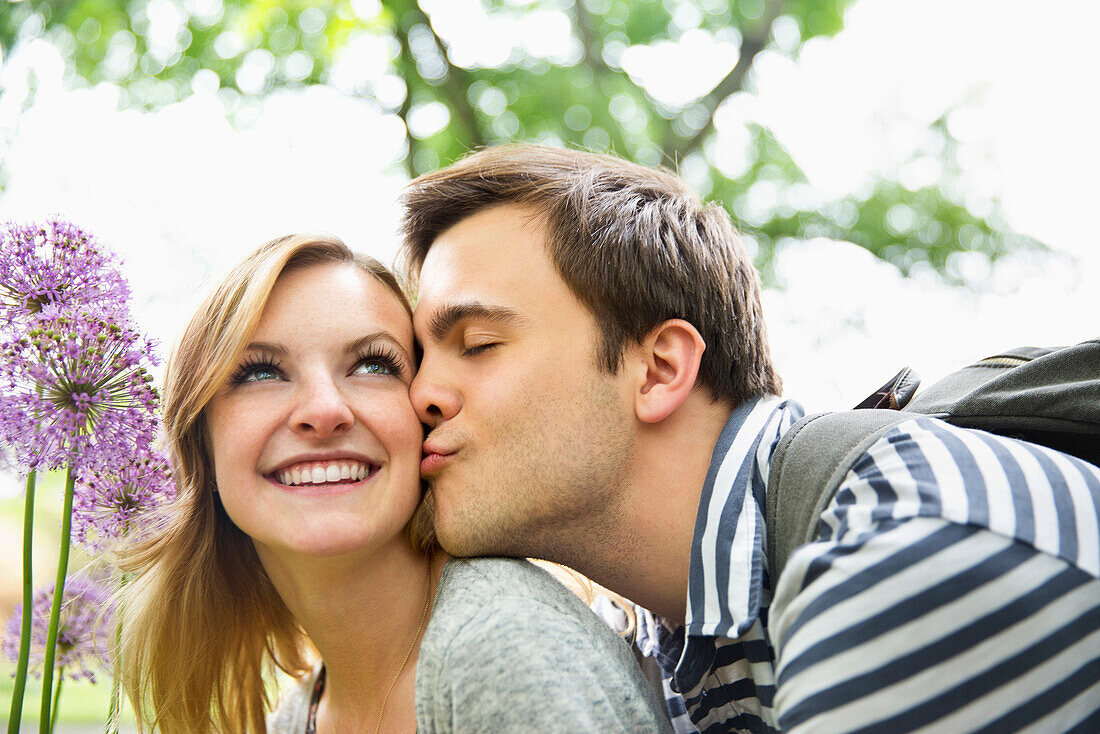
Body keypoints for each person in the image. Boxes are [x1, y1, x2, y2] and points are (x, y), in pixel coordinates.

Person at [400, 145, 1100, 733]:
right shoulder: (672, 651)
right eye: (415, 358)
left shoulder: (908, 537)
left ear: (659, 369)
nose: (419, 394)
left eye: (479, 343)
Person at [114, 233, 673, 733]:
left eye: (373, 365)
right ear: (202, 446)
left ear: (425, 419)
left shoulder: (504, 648)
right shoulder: (298, 717)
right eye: (260, 372)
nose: (325, 410)